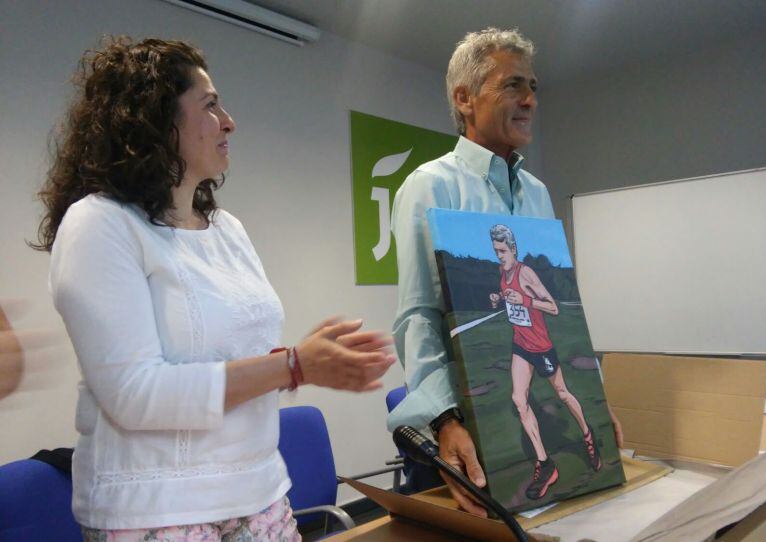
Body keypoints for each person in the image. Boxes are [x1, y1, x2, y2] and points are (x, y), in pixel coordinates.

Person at [32, 37, 394, 541]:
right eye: (209, 105)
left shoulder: (227, 230)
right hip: (155, 506)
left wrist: (305, 363)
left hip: (257, 487)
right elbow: (134, 394)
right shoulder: (99, 224)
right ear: (156, 124)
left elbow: (237, 357)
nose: (228, 121)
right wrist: (292, 365)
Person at [386, 28, 623, 516]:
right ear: (464, 98)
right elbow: (419, 317)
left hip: (536, 349)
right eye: (513, 85)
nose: (530, 100)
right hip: (462, 435)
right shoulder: (430, 187)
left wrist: (595, 401)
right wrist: (445, 420)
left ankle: (575, 441)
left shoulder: (535, 192)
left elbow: (560, 306)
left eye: (533, 87)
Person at [489, 224, 601, 500]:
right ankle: (545, 463)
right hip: (521, 346)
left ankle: (587, 436)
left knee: (561, 393)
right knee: (519, 399)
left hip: (542, 347)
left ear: (513, 249)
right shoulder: (502, 272)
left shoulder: (526, 272)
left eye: (502, 251)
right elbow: (508, 298)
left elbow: (553, 307)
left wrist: (525, 300)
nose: (499, 256)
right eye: (495, 251)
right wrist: (499, 298)